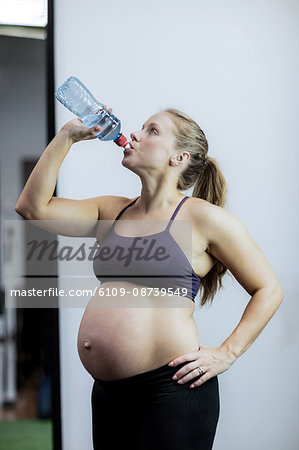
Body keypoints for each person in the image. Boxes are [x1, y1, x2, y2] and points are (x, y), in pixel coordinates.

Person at [15, 107, 284, 450]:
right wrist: (67, 136)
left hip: (170, 391)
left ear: (179, 157)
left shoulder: (204, 218)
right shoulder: (112, 211)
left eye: (152, 130)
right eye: (141, 128)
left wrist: (228, 352)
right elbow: (33, 208)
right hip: (109, 393)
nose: (136, 134)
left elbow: (268, 289)